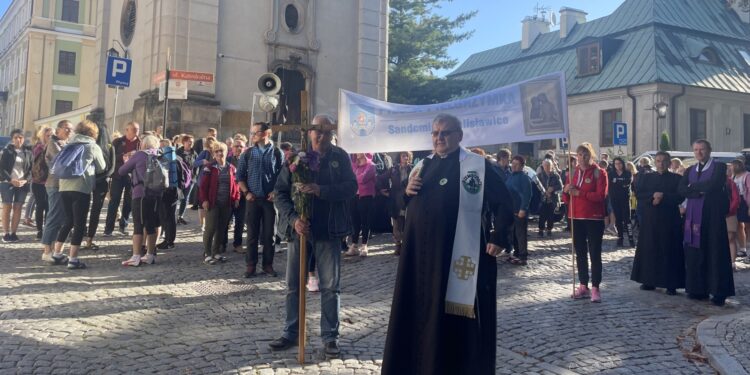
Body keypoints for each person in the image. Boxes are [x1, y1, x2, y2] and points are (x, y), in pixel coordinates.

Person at [382, 114, 513, 375]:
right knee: (418, 312)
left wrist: (499, 237)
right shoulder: (423, 165)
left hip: (453, 258)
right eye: (435, 133)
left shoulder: (476, 165)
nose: (439, 138)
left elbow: (505, 201)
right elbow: (397, 203)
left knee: (449, 319)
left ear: (459, 136)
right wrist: (405, 193)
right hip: (418, 258)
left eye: (445, 133)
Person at [268, 114, 357, 359]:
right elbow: (280, 192)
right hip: (300, 232)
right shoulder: (297, 158)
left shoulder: (340, 157)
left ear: (331, 133)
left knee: (330, 287)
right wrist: (294, 219)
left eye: (326, 132)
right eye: (317, 131)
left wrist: (322, 190)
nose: (321, 136)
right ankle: (291, 332)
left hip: (328, 232)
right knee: (293, 286)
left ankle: (330, 337)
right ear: (309, 133)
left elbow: (351, 187)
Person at [678, 139, 735, 306]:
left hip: (712, 217)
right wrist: (698, 191)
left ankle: (718, 291)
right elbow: (681, 189)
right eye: (695, 150)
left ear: (709, 150)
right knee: (695, 252)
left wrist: (692, 187)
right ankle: (697, 289)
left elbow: (713, 185)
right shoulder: (689, 170)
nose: (699, 153)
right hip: (694, 217)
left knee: (715, 252)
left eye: (702, 149)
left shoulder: (719, 167)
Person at [53, 121, 106, 269]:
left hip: (64, 187)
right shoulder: (92, 146)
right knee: (79, 224)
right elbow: (102, 167)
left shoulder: (69, 144)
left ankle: (57, 253)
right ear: (93, 133)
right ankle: (73, 259)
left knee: (68, 221)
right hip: (81, 188)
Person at [630, 151, 685, 295]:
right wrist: (652, 197)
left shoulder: (676, 178)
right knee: (650, 248)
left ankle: (671, 283)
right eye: (658, 160)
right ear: (655, 162)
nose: (661, 163)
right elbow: (639, 194)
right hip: (651, 218)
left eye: (664, 161)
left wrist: (664, 197)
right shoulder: (646, 177)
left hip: (670, 219)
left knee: (670, 250)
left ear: (669, 162)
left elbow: (680, 196)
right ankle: (649, 280)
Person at [563, 143, 608, 302]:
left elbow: (600, 196)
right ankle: (583, 284)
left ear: (591, 156)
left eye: (585, 154)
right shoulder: (572, 172)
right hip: (575, 217)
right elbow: (565, 198)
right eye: (580, 155)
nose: (582, 158)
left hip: (593, 218)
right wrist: (566, 190)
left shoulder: (599, 172)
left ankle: (595, 287)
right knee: (580, 253)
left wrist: (580, 193)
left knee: (595, 252)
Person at [238, 122, 283, 277]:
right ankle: (251, 265)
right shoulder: (248, 153)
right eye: (252, 133)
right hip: (253, 199)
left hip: (270, 200)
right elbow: (240, 176)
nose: (253, 136)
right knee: (252, 235)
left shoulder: (277, 152)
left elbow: (282, 177)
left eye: (255, 133)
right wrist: (246, 193)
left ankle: (268, 265)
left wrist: (275, 192)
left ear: (266, 133)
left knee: (270, 235)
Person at [120, 135, 162, 267]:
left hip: (141, 194)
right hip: (156, 194)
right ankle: (150, 255)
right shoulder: (160, 155)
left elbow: (122, 171)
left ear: (143, 144)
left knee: (138, 225)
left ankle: (136, 256)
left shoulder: (139, 155)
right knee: (151, 224)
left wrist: (127, 161)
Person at [200, 142, 240, 264]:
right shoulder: (209, 168)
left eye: (221, 151)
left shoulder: (232, 168)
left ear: (226, 152)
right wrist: (204, 200)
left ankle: (216, 252)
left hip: (227, 203)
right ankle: (207, 253)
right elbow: (203, 186)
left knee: (222, 229)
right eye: (216, 151)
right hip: (213, 202)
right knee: (210, 228)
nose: (219, 153)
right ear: (213, 154)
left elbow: (236, 185)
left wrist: (237, 198)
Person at [41, 121, 74, 262]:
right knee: (53, 217)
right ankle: (47, 251)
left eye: (71, 129)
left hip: (64, 185)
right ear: (58, 130)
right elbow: (63, 161)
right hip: (54, 185)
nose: (69, 131)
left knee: (62, 218)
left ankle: (55, 249)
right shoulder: (53, 143)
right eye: (66, 128)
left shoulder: (65, 143)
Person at [104, 122, 140, 236]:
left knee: (128, 202)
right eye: (133, 129)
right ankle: (108, 229)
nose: (135, 132)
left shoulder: (140, 143)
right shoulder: (118, 141)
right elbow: (111, 157)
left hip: (133, 176)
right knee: (114, 201)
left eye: (137, 129)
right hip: (118, 175)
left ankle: (123, 226)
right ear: (126, 130)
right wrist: (125, 155)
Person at [83, 117, 114, 250]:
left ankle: (83, 235)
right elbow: (111, 168)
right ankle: (89, 238)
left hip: (89, 180)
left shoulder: (91, 146)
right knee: (94, 211)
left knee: (84, 209)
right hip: (101, 181)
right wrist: (102, 177)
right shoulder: (109, 146)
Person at [0, 129, 32, 242]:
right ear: (12, 139)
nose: (18, 139)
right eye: (16, 137)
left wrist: (25, 180)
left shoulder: (28, 152)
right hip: (7, 183)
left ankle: (14, 232)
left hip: (22, 184)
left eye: (21, 137)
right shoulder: (7, 151)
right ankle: (6, 233)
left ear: (24, 139)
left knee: (18, 207)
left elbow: (31, 170)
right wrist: (10, 179)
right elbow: (2, 168)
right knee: (7, 207)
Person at [345, 153, 377, 257]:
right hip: (354, 196)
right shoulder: (353, 165)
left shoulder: (371, 166)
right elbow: (349, 179)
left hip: (366, 197)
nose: (357, 153)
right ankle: (354, 246)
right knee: (355, 222)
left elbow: (362, 179)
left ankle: (364, 245)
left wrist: (354, 178)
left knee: (365, 222)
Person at [384, 151, 412, 255]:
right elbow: (381, 178)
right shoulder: (393, 169)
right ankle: (398, 245)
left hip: (408, 199)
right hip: (396, 200)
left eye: (407, 156)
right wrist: (383, 190)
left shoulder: (413, 169)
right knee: (396, 224)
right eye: (403, 156)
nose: (405, 158)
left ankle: (406, 245)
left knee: (407, 223)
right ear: (400, 157)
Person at [505, 155, 532, 265]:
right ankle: (516, 254)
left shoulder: (524, 178)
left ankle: (523, 256)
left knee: (521, 234)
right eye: (513, 164)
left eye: (517, 164)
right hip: (511, 210)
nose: (514, 166)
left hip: (519, 210)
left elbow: (527, 194)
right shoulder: (511, 176)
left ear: (522, 166)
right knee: (513, 234)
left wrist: (523, 209)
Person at [157, 139, 181, 250]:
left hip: (165, 190)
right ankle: (170, 240)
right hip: (175, 190)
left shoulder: (162, 159)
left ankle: (168, 240)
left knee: (166, 216)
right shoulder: (177, 158)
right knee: (171, 216)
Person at [30, 126, 52, 239]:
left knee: (49, 206)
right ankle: (39, 230)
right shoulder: (38, 147)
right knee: (40, 206)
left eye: (51, 136)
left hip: (50, 182)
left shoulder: (54, 146)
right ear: (43, 136)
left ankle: (47, 228)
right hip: (38, 182)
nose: (50, 138)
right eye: (48, 135)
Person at [193, 136, 218, 231]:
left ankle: (208, 222)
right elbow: (195, 163)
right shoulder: (204, 153)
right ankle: (202, 224)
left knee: (211, 202)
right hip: (203, 181)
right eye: (209, 144)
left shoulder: (217, 153)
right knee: (201, 203)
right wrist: (202, 161)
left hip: (214, 181)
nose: (210, 146)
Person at [227, 139, 247, 253]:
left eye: (241, 146)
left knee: (240, 221)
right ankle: (222, 243)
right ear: (232, 148)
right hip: (229, 195)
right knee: (225, 221)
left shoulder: (248, 161)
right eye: (236, 146)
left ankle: (237, 244)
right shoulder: (227, 160)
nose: (238, 148)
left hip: (243, 196)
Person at [610, 157, 634, 247]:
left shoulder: (627, 173)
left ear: (622, 164)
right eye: (616, 164)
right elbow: (610, 184)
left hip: (625, 198)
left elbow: (627, 182)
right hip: (615, 199)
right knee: (618, 219)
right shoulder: (611, 173)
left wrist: (617, 182)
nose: (618, 165)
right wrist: (619, 182)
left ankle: (631, 238)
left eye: (619, 163)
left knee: (627, 219)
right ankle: (620, 238)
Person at [177, 134, 198, 224]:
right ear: (184, 142)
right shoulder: (178, 152)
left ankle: (180, 216)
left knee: (185, 198)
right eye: (189, 141)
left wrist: (194, 176)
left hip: (190, 180)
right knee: (177, 197)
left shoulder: (194, 153)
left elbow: (196, 165)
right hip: (179, 179)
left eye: (192, 142)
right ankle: (173, 216)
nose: (190, 143)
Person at [538, 159, 562, 237]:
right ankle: (541, 230)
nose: (547, 167)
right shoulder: (540, 175)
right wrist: (544, 192)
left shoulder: (556, 175)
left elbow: (560, 187)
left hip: (552, 199)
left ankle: (549, 230)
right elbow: (536, 186)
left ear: (551, 166)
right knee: (542, 216)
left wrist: (553, 189)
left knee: (550, 216)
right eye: (545, 165)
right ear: (543, 166)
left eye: (549, 165)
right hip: (543, 199)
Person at [731, 159, 750, 260]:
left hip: (745, 201)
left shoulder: (747, 175)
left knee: (748, 226)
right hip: (737, 201)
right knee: (738, 225)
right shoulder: (733, 176)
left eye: (734, 166)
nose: (732, 167)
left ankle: (748, 248)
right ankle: (743, 249)